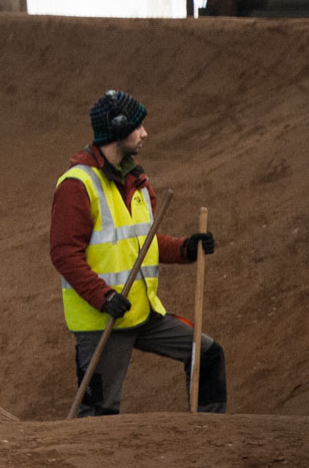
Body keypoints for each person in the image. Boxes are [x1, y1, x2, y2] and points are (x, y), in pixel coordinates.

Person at [52, 90, 224, 416]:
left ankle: (209, 439)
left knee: (208, 354)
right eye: (137, 126)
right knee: (99, 416)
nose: (144, 133)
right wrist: (103, 297)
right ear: (118, 130)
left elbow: (145, 242)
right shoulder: (77, 185)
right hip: (103, 321)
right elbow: (64, 255)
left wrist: (187, 248)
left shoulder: (137, 181)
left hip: (143, 314)